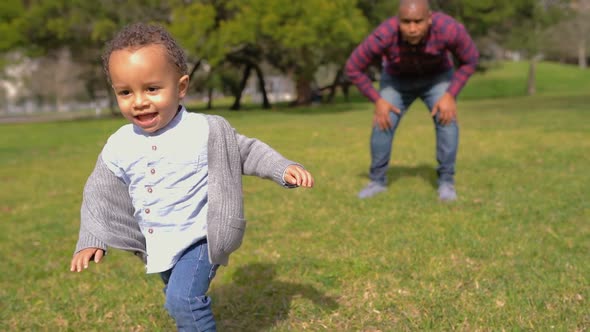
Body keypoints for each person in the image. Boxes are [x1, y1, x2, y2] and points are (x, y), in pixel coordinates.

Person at [69, 23, 314, 331]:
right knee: (175, 295)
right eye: (125, 92)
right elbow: (98, 191)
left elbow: (247, 152)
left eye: (152, 88)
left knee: (183, 301)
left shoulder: (204, 130)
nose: (139, 101)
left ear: (181, 86)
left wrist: (282, 168)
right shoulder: (120, 143)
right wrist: (91, 238)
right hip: (157, 242)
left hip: (200, 237)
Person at [345, 0, 479, 201]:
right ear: (398, 21)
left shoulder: (449, 29)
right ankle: (377, 181)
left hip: (437, 78)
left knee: (447, 119)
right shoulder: (384, 34)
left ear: (430, 19)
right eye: (406, 22)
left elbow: (471, 59)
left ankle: (446, 182)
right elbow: (352, 67)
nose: (412, 28)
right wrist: (377, 100)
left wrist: (450, 94)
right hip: (397, 80)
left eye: (418, 21)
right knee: (384, 120)